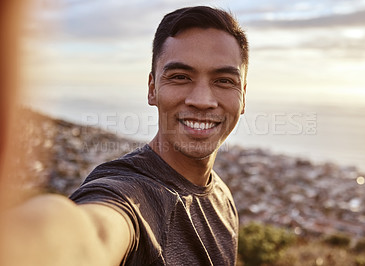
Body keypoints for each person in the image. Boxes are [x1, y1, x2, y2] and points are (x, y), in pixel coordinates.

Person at [0, 5, 248, 266]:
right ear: (152, 89)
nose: (202, 100)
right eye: (180, 77)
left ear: (243, 96)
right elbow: (93, 233)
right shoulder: (128, 194)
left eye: (223, 81)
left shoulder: (221, 196)